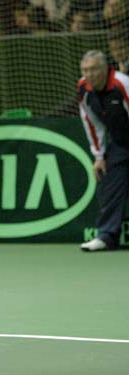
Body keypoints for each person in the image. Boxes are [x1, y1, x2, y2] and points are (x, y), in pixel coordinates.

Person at [78, 50, 129, 251]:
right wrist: (99, 155)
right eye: (85, 70)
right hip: (120, 143)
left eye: (94, 69)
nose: (89, 74)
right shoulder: (83, 87)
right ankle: (106, 236)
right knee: (109, 183)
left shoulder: (121, 84)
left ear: (105, 68)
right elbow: (91, 122)